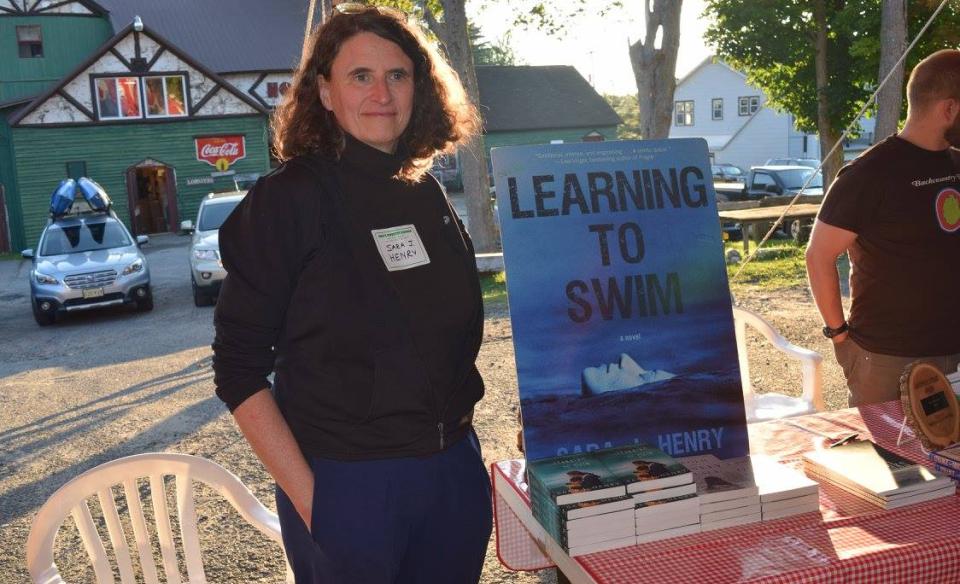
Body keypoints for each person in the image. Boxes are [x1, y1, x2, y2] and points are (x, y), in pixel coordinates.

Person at [211, 6, 491, 582]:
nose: (382, 93)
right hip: (349, 485)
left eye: (398, 74)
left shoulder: (426, 194)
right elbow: (237, 371)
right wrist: (317, 503)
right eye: (360, 76)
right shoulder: (288, 200)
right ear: (325, 93)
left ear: (421, 87)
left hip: (452, 475)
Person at [805, 49, 960, 407]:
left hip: (955, 353)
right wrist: (840, 337)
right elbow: (818, 255)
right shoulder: (869, 173)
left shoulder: (956, 161)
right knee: (889, 461)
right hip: (889, 359)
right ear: (949, 109)